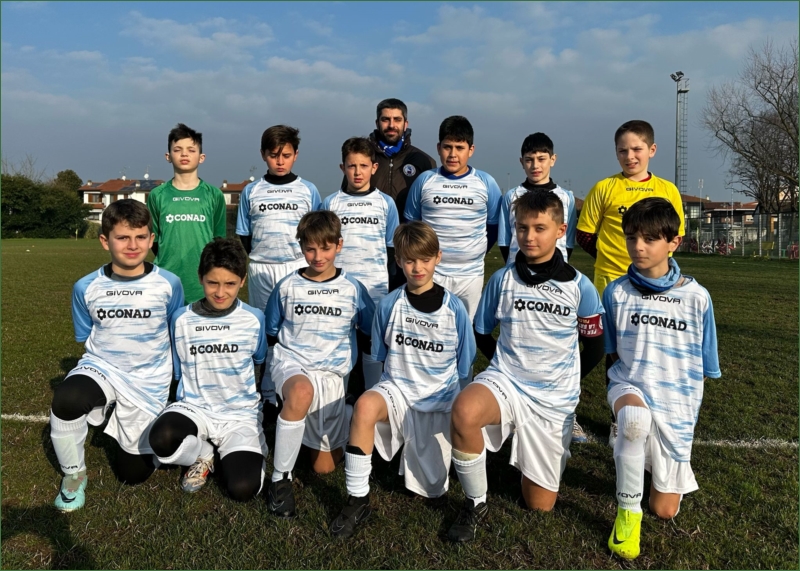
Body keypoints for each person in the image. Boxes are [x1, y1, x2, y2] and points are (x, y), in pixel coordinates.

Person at [447, 190, 605, 543]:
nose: (528, 237)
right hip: (507, 381)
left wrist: (567, 379)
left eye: (539, 228)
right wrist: (502, 366)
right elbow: (481, 331)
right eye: (521, 228)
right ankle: (475, 503)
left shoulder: (580, 287)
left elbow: (595, 346)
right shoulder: (502, 280)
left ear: (561, 230)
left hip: (553, 399)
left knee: (539, 505)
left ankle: (547, 450)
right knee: (465, 410)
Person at [328, 222, 476, 539]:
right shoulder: (389, 304)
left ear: (438, 257)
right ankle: (357, 499)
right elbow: (379, 356)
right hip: (397, 390)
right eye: (409, 260)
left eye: (425, 259)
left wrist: (459, 420)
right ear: (398, 261)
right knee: (365, 406)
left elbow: (464, 367)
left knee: (432, 492)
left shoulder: (455, 310)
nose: (417, 267)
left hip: (439, 400)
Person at [602, 198, 720, 560]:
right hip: (630, 386)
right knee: (634, 421)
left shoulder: (697, 298)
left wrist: (684, 405)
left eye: (650, 239)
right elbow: (611, 353)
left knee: (664, 510)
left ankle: (640, 456)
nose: (638, 246)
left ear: (673, 242)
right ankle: (627, 515)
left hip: (676, 406)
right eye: (632, 237)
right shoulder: (616, 292)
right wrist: (621, 396)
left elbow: (705, 366)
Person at [49, 199, 184, 511]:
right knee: (68, 399)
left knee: (131, 474)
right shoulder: (85, 287)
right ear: (104, 241)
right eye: (122, 237)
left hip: (149, 379)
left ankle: (131, 419)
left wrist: (176, 383)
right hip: (104, 367)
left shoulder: (169, 283)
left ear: (152, 239)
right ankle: (74, 475)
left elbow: (175, 333)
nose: (132, 245)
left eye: (140, 237)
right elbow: (87, 336)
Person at [575, 120, 686, 446]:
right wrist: (611, 259)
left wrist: (653, 270)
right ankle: (616, 421)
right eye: (623, 150)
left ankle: (648, 416)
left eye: (637, 149)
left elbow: (675, 237)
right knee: (610, 353)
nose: (630, 156)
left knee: (646, 352)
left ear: (652, 150)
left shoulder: (668, 190)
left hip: (654, 289)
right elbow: (585, 233)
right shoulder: (604, 188)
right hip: (610, 285)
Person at [265, 211, 375, 518]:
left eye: (325, 248)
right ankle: (280, 480)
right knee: (301, 392)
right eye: (310, 249)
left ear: (339, 245)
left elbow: (369, 333)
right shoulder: (287, 286)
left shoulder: (353, 288)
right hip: (293, 365)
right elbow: (272, 332)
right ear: (301, 246)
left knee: (323, 468)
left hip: (332, 377)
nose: (317, 256)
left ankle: (346, 413)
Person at [148, 238, 267, 502]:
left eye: (230, 284)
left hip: (239, 416)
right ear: (200, 277)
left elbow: (260, 363)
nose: (220, 292)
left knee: (242, 488)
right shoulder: (181, 319)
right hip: (195, 408)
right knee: (162, 439)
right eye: (213, 282)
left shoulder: (254, 319)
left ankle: (238, 449)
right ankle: (203, 453)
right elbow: (177, 372)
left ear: (242, 281)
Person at [498, 132, 586, 444]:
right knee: (519, 341)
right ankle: (514, 406)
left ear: (553, 160)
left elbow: (568, 243)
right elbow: (504, 241)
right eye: (529, 160)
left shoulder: (566, 197)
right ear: (521, 162)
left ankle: (568, 413)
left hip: (556, 280)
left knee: (560, 346)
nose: (535, 165)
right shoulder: (511, 196)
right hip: (519, 278)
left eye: (541, 158)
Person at [235, 125, 321, 407]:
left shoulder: (308, 190)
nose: (280, 161)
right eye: (274, 155)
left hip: (296, 266)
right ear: (263, 155)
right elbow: (245, 235)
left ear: (296, 154)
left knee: (296, 326)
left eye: (286, 155)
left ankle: (298, 386)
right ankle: (268, 391)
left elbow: (316, 233)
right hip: (262, 268)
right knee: (266, 329)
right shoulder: (251, 191)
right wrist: (261, 256)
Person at [404, 115, 502, 324]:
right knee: (429, 327)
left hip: (470, 275)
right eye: (447, 147)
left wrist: (474, 253)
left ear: (471, 150)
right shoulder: (424, 180)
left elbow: (493, 227)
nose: (453, 154)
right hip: (432, 272)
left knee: (465, 329)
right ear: (438, 148)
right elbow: (411, 225)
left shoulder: (486, 182)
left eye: (460, 148)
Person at [321, 137, 400, 391]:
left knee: (372, 344)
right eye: (352, 166)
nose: (357, 172)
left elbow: (391, 250)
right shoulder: (330, 203)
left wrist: (386, 285)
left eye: (363, 166)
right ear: (342, 167)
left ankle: (372, 396)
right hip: (339, 289)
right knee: (338, 343)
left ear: (374, 168)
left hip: (374, 288)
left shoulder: (386, 203)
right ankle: (338, 400)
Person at [147, 123, 226, 304]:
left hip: (203, 281)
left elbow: (219, 239)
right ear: (168, 156)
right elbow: (154, 240)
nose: (184, 154)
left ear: (201, 157)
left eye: (191, 150)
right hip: (165, 279)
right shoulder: (157, 195)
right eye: (177, 150)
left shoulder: (214, 194)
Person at [343, 98, 437, 224]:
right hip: (370, 232)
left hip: (408, 235)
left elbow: (431, 207)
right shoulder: (362, 159)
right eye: (385, 119)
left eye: (397, 119)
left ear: (405, 124)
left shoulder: (424, 160)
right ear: (377, 123)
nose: (391, 125)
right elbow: (345, 198)